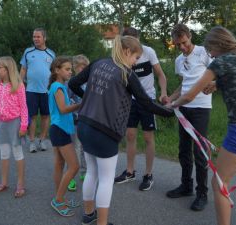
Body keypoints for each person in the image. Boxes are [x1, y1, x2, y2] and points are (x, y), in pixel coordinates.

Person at [167, 26, 236, 225]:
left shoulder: (220, 61)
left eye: (210, 49)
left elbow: (188, 95)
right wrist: (216, 85)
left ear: (217, 45)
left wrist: (172, 105)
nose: (210, 53)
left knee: (219, 183)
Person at [69, 35, 172, 225]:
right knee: (106, 179)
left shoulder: (98, 63)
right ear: (126, 52)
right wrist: (170, 112)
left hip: (84, 125)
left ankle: (88, 214)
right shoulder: (126, 74)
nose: (135, 63)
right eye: (135, 58)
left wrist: (89, 98)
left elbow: (72, 83)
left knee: (92, 172)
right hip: (104, 132)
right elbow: (146, 103)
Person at [164, 24, 213, 211]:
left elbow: (216, 75)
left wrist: (215, 84)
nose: (182, 48)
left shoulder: (204, 52)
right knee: (183, 150)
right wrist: (171, 98)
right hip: (183, 108)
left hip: (201, 108)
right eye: (178, 45)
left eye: (184, 43)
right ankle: (186, 186)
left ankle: (202, 194)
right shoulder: (178, 60)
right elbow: (183, 85)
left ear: (190, 36)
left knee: (199, 152)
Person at [114, 27, 168, 191]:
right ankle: (130, 172)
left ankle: (148, 174)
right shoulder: (122, 55)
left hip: (147, 100)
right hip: (130, 100)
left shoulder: (148, 52)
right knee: (130, 135)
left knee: (147, 137)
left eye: (133, 39)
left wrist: (164, 93)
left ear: (138, 39)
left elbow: (160, 74)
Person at [0, 56, 28, 198]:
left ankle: (20, 184)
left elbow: (24, 108)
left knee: (18, 153)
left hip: (15, 124)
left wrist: (24, 125)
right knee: (4, 154)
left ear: (8, 69)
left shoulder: (18, 86)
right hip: (1, 124)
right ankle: (4, 182)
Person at [48, 56, 80, 217]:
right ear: (57, 70)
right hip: (60, 130)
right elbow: (63, 109)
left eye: (70, 69)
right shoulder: (58, 87)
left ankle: (59, 197)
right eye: (67, 69)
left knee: (59, 164)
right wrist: (82, 103)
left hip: (57, 129)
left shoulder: (57, 86)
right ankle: (58, 200)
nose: (70, 72)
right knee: (74, 166)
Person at [20, 28, 55, 153]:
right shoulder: (28, 52)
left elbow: (54, 72)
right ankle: (32, 142)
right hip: (31, 90)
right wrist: (19, 85)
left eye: (38, 37)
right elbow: (23, 69)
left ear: (44, 38)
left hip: (46, 91)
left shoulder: (51, 54)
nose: (35, 39)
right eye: (34, 36)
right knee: (32, 116)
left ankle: (42, 140)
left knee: (46, 116)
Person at [67, 54, 90, 192]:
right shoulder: (71, 82)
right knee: (74, 148)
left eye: (84, 67)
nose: (81, 69)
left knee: (85, 148)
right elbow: (66, 99)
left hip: (87, 120)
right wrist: (75, 105)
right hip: (75, 119)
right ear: (74, 68)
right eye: (79, 67)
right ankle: (70, 177)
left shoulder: (90, 82)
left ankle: (84, 172)